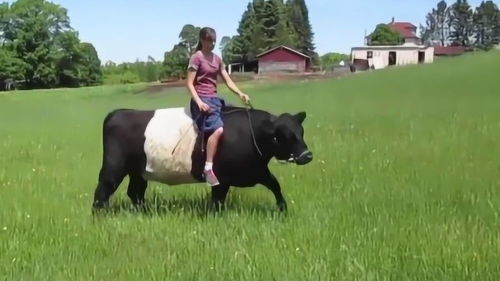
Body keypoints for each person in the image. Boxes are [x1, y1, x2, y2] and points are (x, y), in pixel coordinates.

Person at [186, 27, 250, 186]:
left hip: (215, 99)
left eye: (214, 41)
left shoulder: (217, 59)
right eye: (209, 41)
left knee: (236, 118)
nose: (212, 44)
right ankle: (208, 168)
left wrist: (240, 93)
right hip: (201, 99)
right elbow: (189, 84)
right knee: (218, 129)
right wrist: (199, 102)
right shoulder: (196, 58)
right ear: (202, 40)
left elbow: (228, 81)